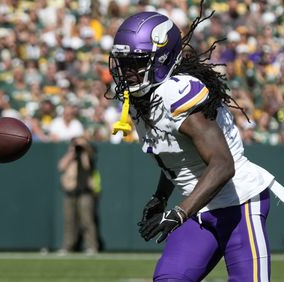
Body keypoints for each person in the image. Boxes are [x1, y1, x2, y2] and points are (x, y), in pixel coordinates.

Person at [107, 8, 284, 281]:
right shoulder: (141, 101)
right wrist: (161, 196)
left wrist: (179, 212)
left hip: (240, 203)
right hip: (200, 208)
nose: (128, 71)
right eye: (124, 62)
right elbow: (175, 154)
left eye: (136, 62)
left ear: (162, 59)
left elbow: (223, 164)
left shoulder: (176, 93)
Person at [57, 137, 99, 255]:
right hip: (70, 191)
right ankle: (68, 245)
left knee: (87, 220)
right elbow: (61, 166)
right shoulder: (71, 156)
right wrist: (72, 153)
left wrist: (84, 150)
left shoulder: (87, 155)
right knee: (69, 220)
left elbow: (87, 166)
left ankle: (91, 246)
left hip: (85, 191)